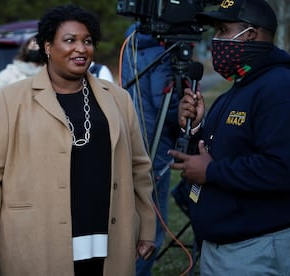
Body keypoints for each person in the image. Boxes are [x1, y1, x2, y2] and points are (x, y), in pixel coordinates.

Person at [0, 4, 156, 276]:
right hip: (36, 239)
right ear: (46, 46)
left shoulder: (118, 99)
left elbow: (140, 168)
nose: (81, 48)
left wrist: (147, 227)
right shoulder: (10, 99)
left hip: (107, 238)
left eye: (87, 41)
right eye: (69, 40)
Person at [168, 0, 290, 274]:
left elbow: (282, 168)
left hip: (255, 250)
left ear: (250, 34)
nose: (216, 40)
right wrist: (197, 128)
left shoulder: (279, 87)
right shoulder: (239, 88)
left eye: (223, 29)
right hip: (222, 246)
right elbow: (227, 149)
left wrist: (211, 172)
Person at [121, 22, 179, 275]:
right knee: (151, 225)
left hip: (135, 138)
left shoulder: (133, 41)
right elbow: (164, 100)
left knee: (135, 217)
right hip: (155, 143)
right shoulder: (159, 51)